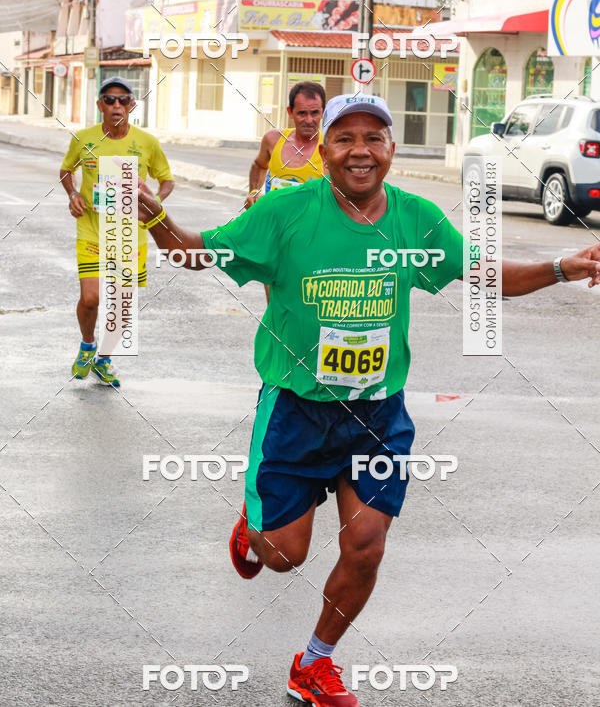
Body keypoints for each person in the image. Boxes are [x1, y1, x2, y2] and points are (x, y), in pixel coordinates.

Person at [136, 93, 600, 707]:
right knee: (283, 557)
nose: (360, 150)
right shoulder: (285, 212)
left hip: (377, 414)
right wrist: (152, 219)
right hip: (297, 411)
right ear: (323, 149)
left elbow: (482, 271)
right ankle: (256, 530)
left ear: (391, 150)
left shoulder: (415, 219)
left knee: (367, 546)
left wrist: (562, 267)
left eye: (374, 137)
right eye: (345, 137)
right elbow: (198, 254)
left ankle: (315, 661)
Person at [60, 76, 174, 388]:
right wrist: (73, 194)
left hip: (129, 234)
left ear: (132, 105)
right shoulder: (83, 138)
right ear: (99, 105)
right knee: (93, 297)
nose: (116, 105)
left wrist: (154, 202)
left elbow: (166, 179)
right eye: (109, 100)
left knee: (121, 304)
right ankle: (87, 345)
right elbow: (66, 170)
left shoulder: (147, 143)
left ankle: (104, 359)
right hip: (92, 232)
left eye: (123, 100)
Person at [244, 80, 326, 211]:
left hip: (310, 229)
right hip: (274, 226)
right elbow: (259, 166)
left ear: (323, 112)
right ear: (290, 112)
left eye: (314, 113)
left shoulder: (330, 148)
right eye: (302, 113)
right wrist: (254, 191)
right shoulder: (273, 139)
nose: (309, 120)